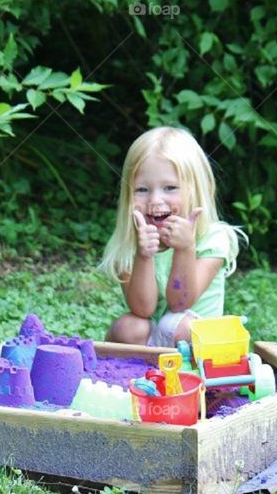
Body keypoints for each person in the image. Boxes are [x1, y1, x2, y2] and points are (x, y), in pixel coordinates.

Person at [100, 127, 245, 347]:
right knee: (128, 326)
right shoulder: (129, 243)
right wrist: (144, 256)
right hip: (153, 338)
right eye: (142, 190)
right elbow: (142, 309)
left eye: (170, 187)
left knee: (177, 326)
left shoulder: (214, 238)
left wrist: (185, 248)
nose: (155, 200)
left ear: (195, 190)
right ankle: (122, 372)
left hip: (194, 343)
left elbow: (181, 303)